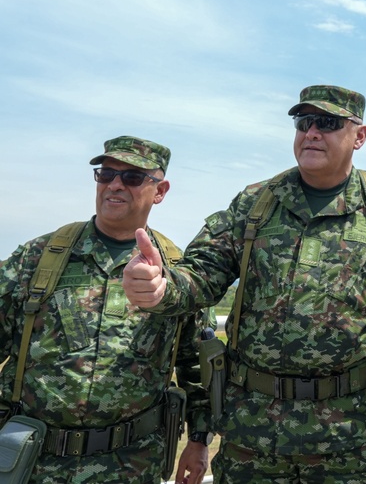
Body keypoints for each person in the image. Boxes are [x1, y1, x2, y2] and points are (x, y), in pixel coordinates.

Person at [121, 85, 366, 484]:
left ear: (359, 136)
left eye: (327, 123)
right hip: (253, 435)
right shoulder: (256, 203)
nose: (311, 132)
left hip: (351, 437)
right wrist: (161, 287)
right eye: (303, 122)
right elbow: (202, 275)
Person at [0, 135, 213, 484]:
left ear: (159, 191)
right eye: (106, 174)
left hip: (132, 463)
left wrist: (199, 441)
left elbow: (195, 366)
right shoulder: (38, 258)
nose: (115, 185)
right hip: (35, 461)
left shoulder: (176, 272)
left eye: (131, 177)